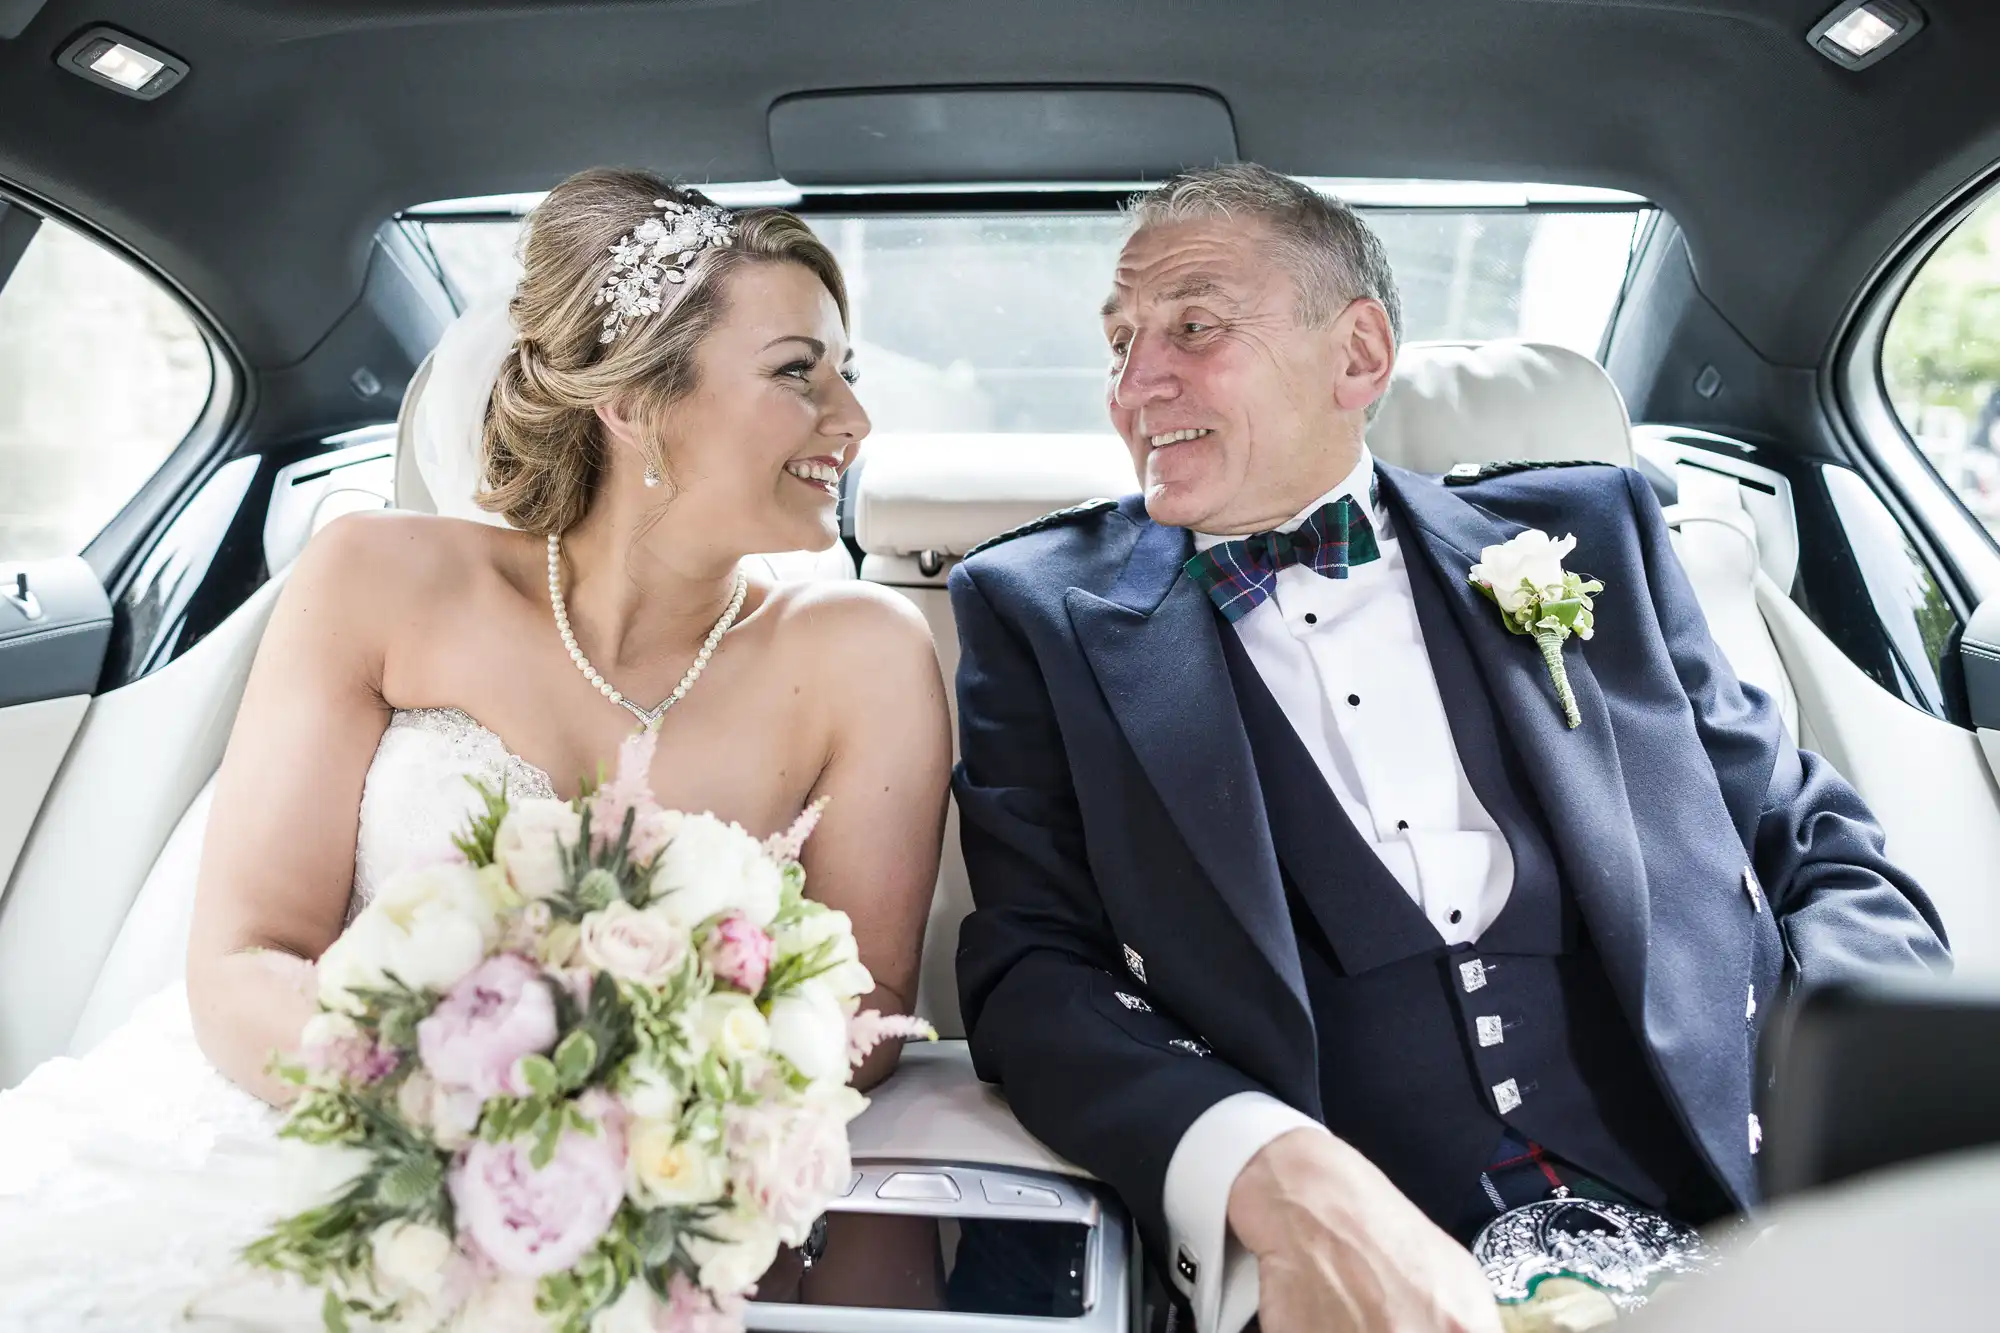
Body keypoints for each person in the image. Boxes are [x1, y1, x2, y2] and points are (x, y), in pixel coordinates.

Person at [948, 163, 1949, 1333]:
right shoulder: (1034, 610)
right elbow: (1030, 975)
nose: (1135, 384)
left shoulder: (1585, 533)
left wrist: (1865, 1115)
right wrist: (1268, 1173)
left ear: (1358, 354)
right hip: (1346, 1271)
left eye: (1193, 326)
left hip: (1741, 1219)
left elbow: (1809, 843)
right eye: (1116, 344)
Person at [0, 168, 951, 1327]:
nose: (853, 420)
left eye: (844, 372)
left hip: (652, 1185)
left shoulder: (865, 655)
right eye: (799, 372)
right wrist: (460, 1115)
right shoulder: (374, 577)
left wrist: (636, 1123)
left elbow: (873, 1008)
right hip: (304, 1120)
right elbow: (246, 957)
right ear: (637, 401)